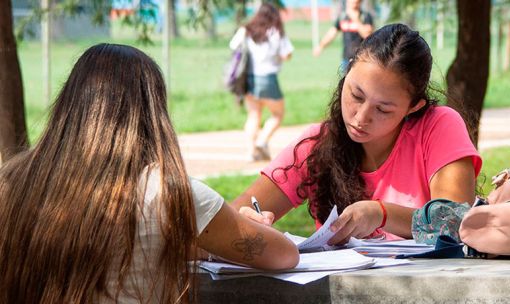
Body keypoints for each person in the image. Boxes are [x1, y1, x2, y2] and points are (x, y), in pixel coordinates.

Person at [0, 43, 299, 303]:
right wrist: (235, 230)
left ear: (69, 106)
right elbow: (284, 255)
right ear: (153, 114)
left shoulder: (12, 181)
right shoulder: (168, 192)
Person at [232, 24, 482, 244]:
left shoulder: (438, 125)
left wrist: (380, 214)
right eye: (356, 95)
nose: (361, 118)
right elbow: (228, 218)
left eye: (383, 109)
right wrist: (248, 220)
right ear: (347, 72)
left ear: (413, 107)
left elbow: (457, 221)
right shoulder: (316, 145)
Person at [229, 3, 294, 161]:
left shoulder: (247, 29)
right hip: (268, 78)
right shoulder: (276, 31)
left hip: (249, 79)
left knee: (253, 114)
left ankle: (251, 152)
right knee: (278, 114)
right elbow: (287, 54)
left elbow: (233, 45)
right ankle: (262, 141)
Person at [313, 0, 374, 72]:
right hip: (346, 59)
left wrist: (355, 19)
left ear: (360, 2)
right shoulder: (343, 16)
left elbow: (367, 35)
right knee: (344, 82)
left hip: (362, 59)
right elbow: (331, 33)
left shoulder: (366, 16)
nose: (353, 2)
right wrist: (321, 46)